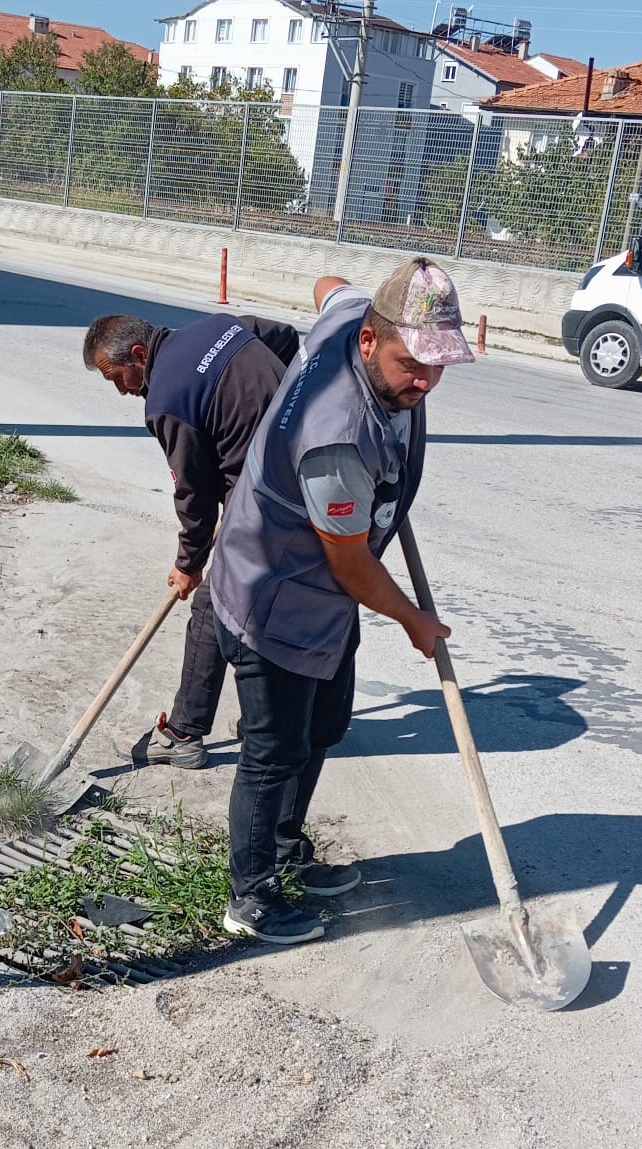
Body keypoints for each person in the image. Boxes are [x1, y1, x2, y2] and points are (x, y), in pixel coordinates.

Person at [207, 257, 475, 944]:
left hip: (324, 601)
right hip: (277, 594)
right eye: (410, 363)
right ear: (367, 342)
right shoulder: (337, 436)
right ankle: (251, 894)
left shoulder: (347, 318)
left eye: (437, 366)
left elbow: (330, 284)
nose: (423, 381)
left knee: (322, 729)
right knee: (274, 750)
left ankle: (287, 848)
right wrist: (415, 621)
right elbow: (351, 564)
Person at [83, 306, 301, 767]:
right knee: (271, 601)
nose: (121, 390)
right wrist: (281, 406)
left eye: (116, 377)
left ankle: (183, 733)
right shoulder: (219, 326)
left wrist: (188, 564)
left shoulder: (166, 400)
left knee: (212, 605)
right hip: (306, 470)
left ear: (139, 354)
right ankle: (275, 717)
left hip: (264, 496)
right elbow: (284, 335)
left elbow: (195, 495)